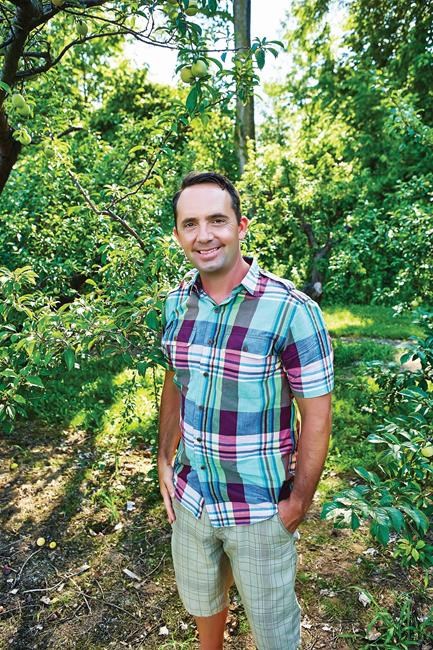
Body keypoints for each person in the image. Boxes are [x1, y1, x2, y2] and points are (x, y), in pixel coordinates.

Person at [158, 171, 334, 650]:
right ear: (178, 235)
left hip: (259, 509)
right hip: (191, 499)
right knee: (203, 603)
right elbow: (175, 380)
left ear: (241, 226)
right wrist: (164, 459)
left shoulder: (291, 310)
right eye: (190, 224)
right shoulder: (175, 304)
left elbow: (317, 416)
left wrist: (298, 503)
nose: (204, 235)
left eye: (217, 220)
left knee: (274, 631)